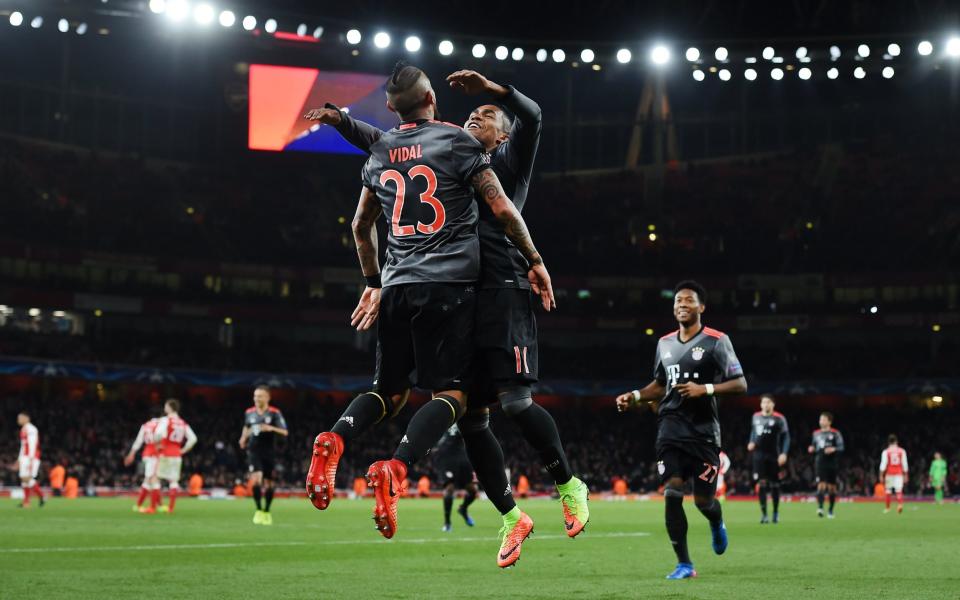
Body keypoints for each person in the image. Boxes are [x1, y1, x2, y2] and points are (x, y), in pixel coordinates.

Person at [306, 67, 588, 541]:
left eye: (488, 116)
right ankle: (510, 517)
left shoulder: (506, 158)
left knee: (515, 404)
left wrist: (494, 90)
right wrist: (343, 121)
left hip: (501, 292)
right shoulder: (453, 151)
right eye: (472, 113)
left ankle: (568, 485)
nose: (476, 117)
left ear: (503, 136)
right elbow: (393, 140)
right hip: (458, 297)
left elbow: (531, 116)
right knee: (471, 416)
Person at [616, 280, 747, 580]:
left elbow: (740, 385)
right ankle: (684, 564)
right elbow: (660, 385)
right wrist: (635, 396)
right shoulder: (664, 344)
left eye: (688, 300)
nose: (682, 305)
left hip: (704, 433)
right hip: (670, 427)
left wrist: (706, 389)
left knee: (704, 501)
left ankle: (716, 521)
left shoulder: (717, 340)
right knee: (673, 491)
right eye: (677, 301)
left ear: (701, 307)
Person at [239, 386, 289, 525]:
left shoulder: (274, 413)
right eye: (255, 396)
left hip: (269, 452)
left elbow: (285, 432)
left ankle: (267, 511)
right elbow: (247, 426)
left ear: (267, 397)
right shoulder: (249, 412)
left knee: (269, 484)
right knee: (256, 479)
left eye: (260, 396)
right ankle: (258, 510)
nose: (256, 399)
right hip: (253, 451)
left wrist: (271, 428)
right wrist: (243, 438)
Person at [747, 395, 790, 523]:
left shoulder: (780, 418)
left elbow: (786, 437)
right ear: (761, 405)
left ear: (773, 405)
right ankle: (764, 514)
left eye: (768, 402)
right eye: (763, 402)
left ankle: (775, 512)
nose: (766, 405)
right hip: (759, 456)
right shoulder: (755, 417)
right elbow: (753, 432)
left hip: (774, 455)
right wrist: (751, 442)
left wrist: (784, 453)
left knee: (775, 485)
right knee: (761, 484)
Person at [151, 399, 197, 514]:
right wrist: (183, 450)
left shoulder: (166, 420)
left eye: (165, 406)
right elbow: (193, 439)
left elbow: (157, 434)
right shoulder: (182, 422)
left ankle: (156, 506)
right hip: (177, 454)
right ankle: (171, 508)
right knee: (173, 481)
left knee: (155, 478)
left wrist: (157, 444)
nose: (164, 408)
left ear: (170, 408)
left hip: (165, 451)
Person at [434, 425, 478, 532]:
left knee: (473, 491)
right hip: (446, 457)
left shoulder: (463, 416)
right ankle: (447, 522)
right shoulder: (443, 416)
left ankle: (463, 509)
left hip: (461, 456)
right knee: (450, 488)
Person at [808, 412, 844, 518]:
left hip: (832, 463)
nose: (821, 421)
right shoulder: (816, 433)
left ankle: (831, 510)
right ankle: (820, 508)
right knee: (821, 485)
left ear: (829, 421)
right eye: (820, 419)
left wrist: (834, 449)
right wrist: (812, 449)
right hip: (820, 462)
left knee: (832, 488)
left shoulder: (835, 433)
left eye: (823, 419)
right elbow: (814, 446)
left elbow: (841, 447)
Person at [123, 415, 161, 512]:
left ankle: (140, 504)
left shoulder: (145, 425)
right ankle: (154, 507)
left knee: (149, 479)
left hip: (148, 453)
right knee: (152, 478)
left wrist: (131, 454)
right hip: (156, 453)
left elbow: (138, 441)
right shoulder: (162, 424)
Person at [14, 412, 44, 508]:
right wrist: (19, 459)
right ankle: (27, 502)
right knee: (24, 479)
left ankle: (41, 496)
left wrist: (31, 458)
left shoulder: (31, 429)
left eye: (20, 418)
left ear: (27, 418)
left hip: (30, 457)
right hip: (24, 457)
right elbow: (23, 446)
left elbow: (33, 444)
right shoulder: (23, 429)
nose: (18, 420)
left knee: (27, 478)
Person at [879, 434, 908, 514]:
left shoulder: (886, 451)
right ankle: (899, 505)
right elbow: (904, 463)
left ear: (888, 442)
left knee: (888, 490)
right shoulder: (902, 451)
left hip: (889, 473)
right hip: (899, 473)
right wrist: (906, 474)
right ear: (896, 441)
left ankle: (887, 508)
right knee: (899, 490)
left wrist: (881, 475)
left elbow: (883, 464)